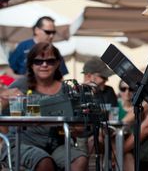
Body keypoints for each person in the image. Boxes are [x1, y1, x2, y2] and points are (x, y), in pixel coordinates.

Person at [1, 42, 88, 171]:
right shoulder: (20, 85)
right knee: (44, 162)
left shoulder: (66, 89)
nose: (44, 65)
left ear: (58, 63)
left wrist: (78, 128)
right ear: (31, 64)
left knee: (80, 160)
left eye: (50, 61)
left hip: (58, 145)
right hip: (22, 143)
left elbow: (81, 126)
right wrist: (3, 100)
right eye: (38, 61)